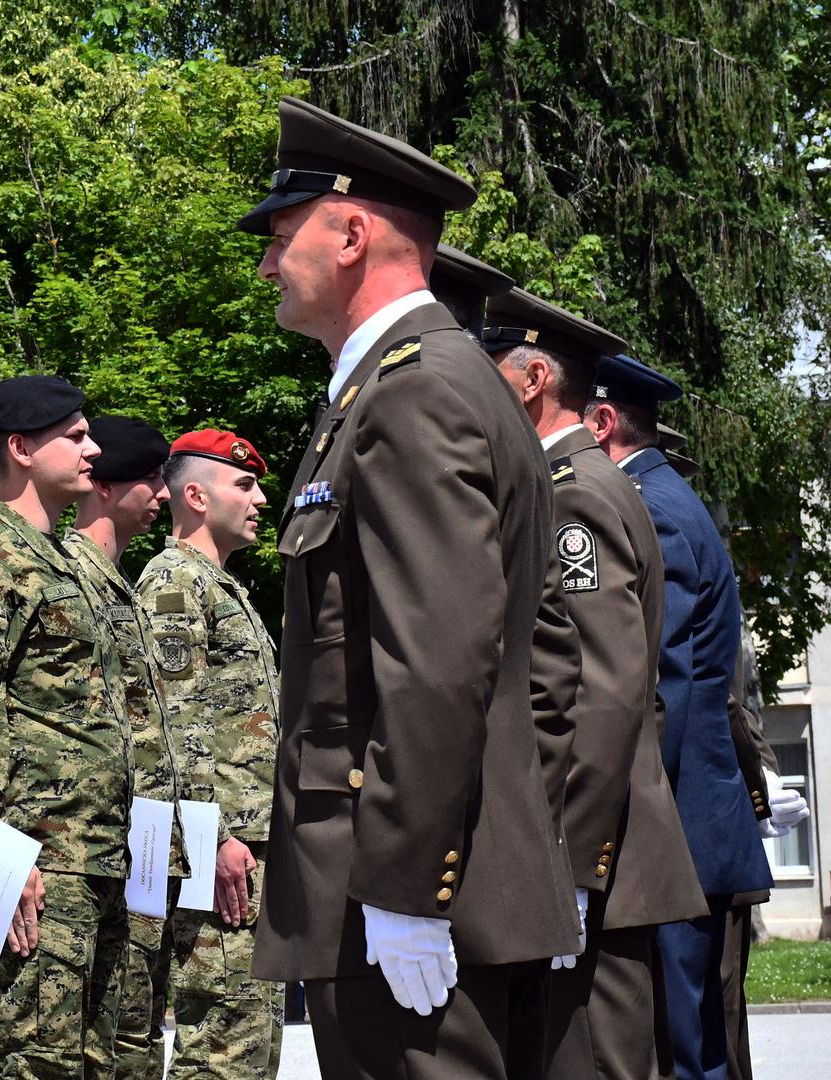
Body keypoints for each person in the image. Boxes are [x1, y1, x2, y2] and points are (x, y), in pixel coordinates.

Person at [242, 96, 579, 1079]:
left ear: (351, 232)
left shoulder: (413, 389)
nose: (268, 263)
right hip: (433, 865)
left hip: (398, 879)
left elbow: (437, 657)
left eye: (279, 234)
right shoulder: (412, 383)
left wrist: (401, 885)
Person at [481, 289, 709, 1078]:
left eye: (492, 375)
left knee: (596, 1064)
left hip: (594, 862)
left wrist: (571, 866)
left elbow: (605, 690)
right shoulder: (577, 485)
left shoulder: (571, 495)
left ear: (536, 379)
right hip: (598, 852)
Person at [0, 376, 132, 1079]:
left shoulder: (67, 561)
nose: (93, 448)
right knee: (33, 1061)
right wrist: (2, 858)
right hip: (37, 865)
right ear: (20, 447)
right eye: (75, 437)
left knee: (92, 1062)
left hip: (95, 856)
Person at [583, 353, 775, 1080]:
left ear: (604, 423)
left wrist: (599, 819)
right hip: (688, 826)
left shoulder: (650, 510)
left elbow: (657, 688)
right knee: (691, 1043)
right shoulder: (662, 499)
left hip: (674, 832)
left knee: (681, 1050)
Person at [136, 428, 285, 1079]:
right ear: (195, 495)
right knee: (222, 1045)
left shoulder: (218, 586)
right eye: (244, 485)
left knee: (252, 1036)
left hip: (247, 850)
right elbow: (172, 721)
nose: (258, 500)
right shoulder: (174, 584)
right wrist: (214, 838)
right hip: (224, 852)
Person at [61, 415, 190, 1080]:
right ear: (107, 487)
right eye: (149, 479)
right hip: (89, 851)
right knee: (102, 1041)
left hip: (135, 848)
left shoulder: (117, 585)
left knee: (134, 1036)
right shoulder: (69, 577)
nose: (163, 495)